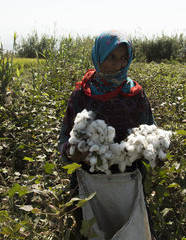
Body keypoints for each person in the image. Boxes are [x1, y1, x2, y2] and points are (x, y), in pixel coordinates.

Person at [58, 30, 158, 240]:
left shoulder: (136, 95)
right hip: (88, 184)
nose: (118, 64)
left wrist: (146, 149)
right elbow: (64, 139)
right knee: (92, 233)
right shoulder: (81, 96)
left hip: (127, 184)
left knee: (132, 230)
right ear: (99, 56)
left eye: (123, 58)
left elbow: (152, 133)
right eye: (111, 57)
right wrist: (72, 152)